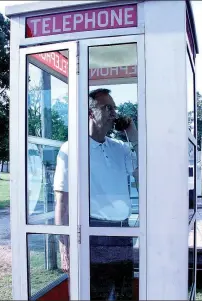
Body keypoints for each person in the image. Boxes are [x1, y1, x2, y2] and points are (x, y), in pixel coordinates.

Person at [53, 88, 138, 300]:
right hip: (94, 234)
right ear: (91, 113)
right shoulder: (71, 149)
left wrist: (133, 133)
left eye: (115, 108)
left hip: (123, 233)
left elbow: (144, 177)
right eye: (107, 108)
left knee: (124, 296)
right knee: (97, 295)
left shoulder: (121, 148)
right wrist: (65, 249)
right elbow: (62, 204)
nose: (114, 113)